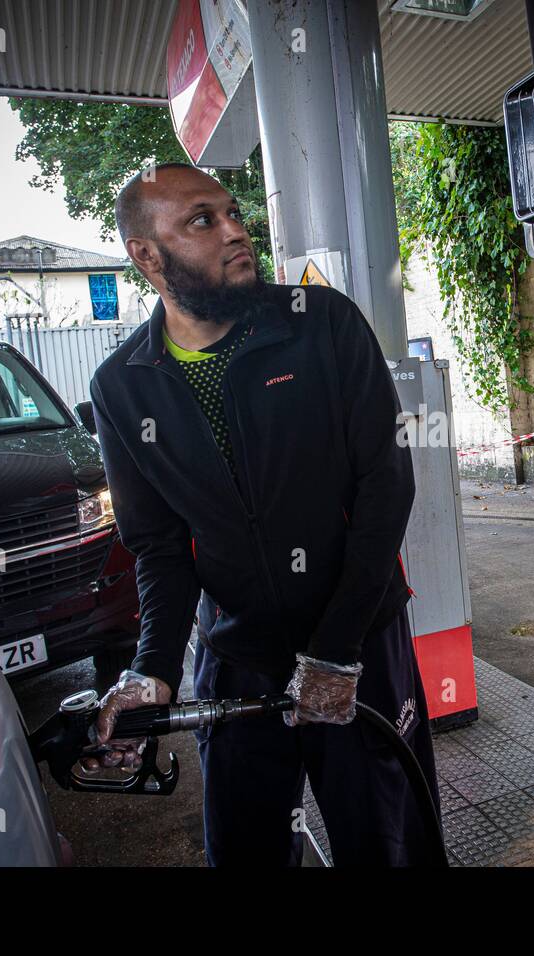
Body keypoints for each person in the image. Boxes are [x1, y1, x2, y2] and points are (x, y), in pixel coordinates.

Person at [87, 162, 438, 865]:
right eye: (202, 220)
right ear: (147, 256)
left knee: (390, 845)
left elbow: (386, 484)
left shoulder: (321, 324)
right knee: (245, 850)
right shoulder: (123, 386)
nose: (235, 231)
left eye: (233, 212)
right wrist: (151, 668)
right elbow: (158, 548)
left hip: (359, 640)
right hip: (237, 658)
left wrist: (338, 647)